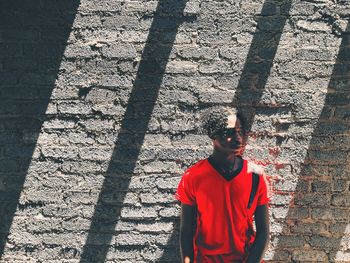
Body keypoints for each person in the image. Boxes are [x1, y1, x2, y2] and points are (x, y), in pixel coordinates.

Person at [175, 106, 270, 263]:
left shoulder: (255, 175)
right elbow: (186, 232)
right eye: (230, 132)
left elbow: (263, 232)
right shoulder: (193, 177)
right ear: (213, 134)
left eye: (240, 132)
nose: (238, 137)